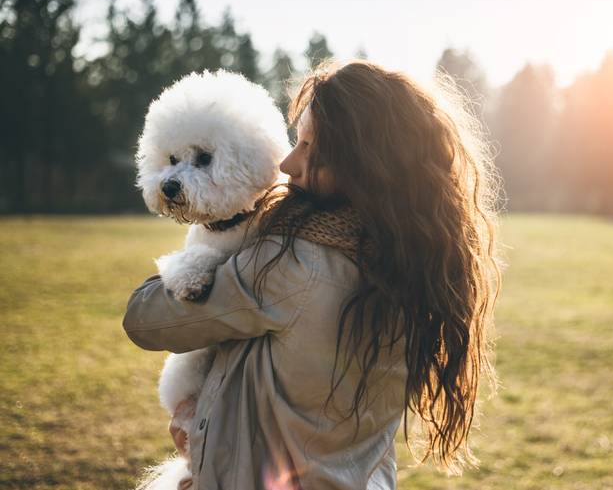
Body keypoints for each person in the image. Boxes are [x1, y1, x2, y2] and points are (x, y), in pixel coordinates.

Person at [124, 60, 502, 490]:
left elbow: (145, 320)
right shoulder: (415, 262)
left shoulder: (292, 264)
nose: (287, 163)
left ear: (363, 166)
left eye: (309, 149)